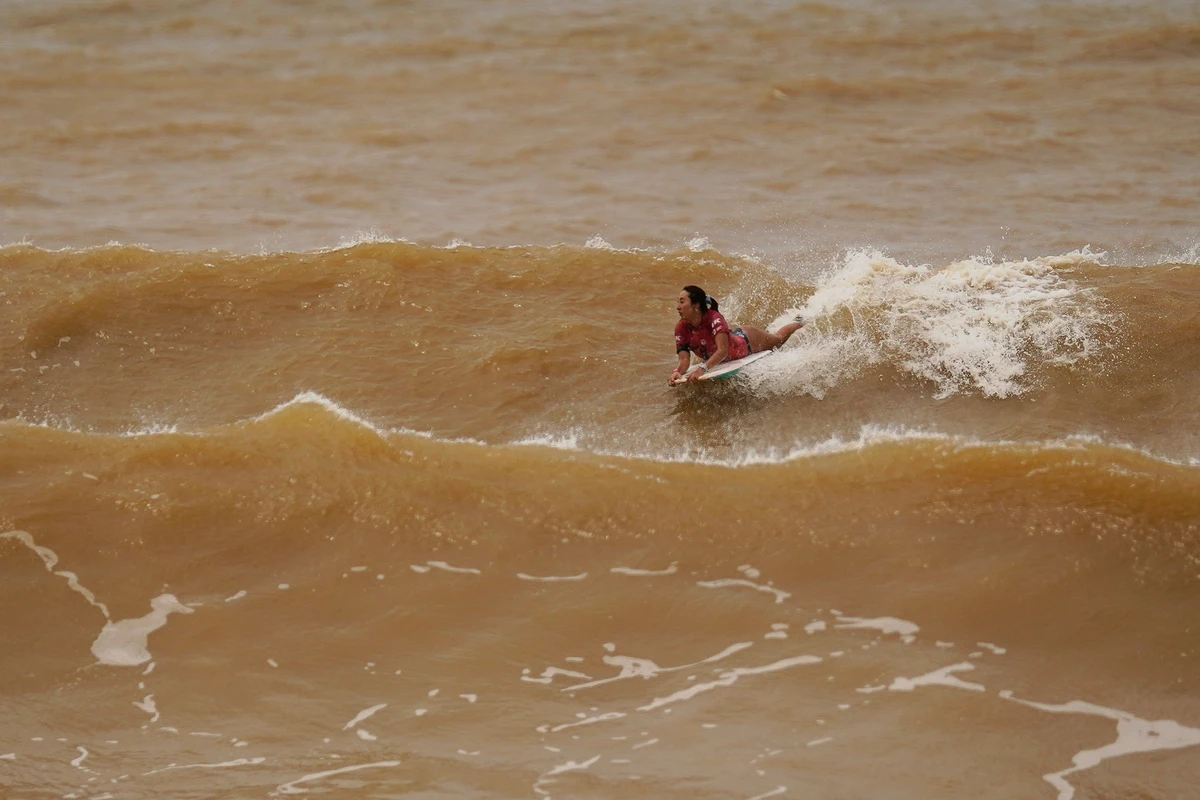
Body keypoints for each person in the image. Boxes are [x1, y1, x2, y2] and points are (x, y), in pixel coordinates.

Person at [669, 285, 805, 385]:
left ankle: (798, 322)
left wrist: (701, 369)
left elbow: (723, 351)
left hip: (747, 340)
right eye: (678, 302)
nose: (678, 306)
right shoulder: (681, 328)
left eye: (682, 302)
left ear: (696, 305)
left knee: (778, 340)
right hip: (728, 339)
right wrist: (678, 372)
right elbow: (684, 359)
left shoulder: (714, 318)